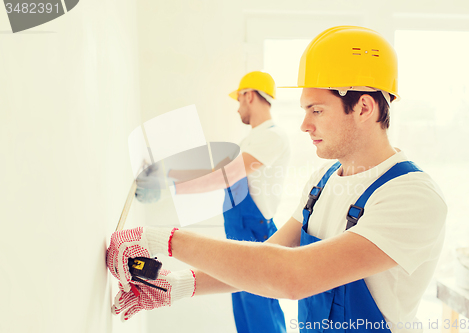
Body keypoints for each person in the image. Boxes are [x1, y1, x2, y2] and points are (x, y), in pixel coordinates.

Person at [107, 26, 447, 333]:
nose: (304, 125)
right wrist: (176, 287)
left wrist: (162, 239)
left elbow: (294, 276)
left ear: (363, 108)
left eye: (316, 110)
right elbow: (266, 258)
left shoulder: (410, 195)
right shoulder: (323, 181)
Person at [134, 71, 290, 333]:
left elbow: (227, 175)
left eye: (239, 100)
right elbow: (214, 171)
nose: (238, 108)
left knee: (262, 316)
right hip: (240, 235)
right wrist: (169, 171)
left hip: (257, 234)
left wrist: (168, 182)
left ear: (249, 95)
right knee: (246, 318)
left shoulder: (273, 136)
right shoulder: (249, 140)